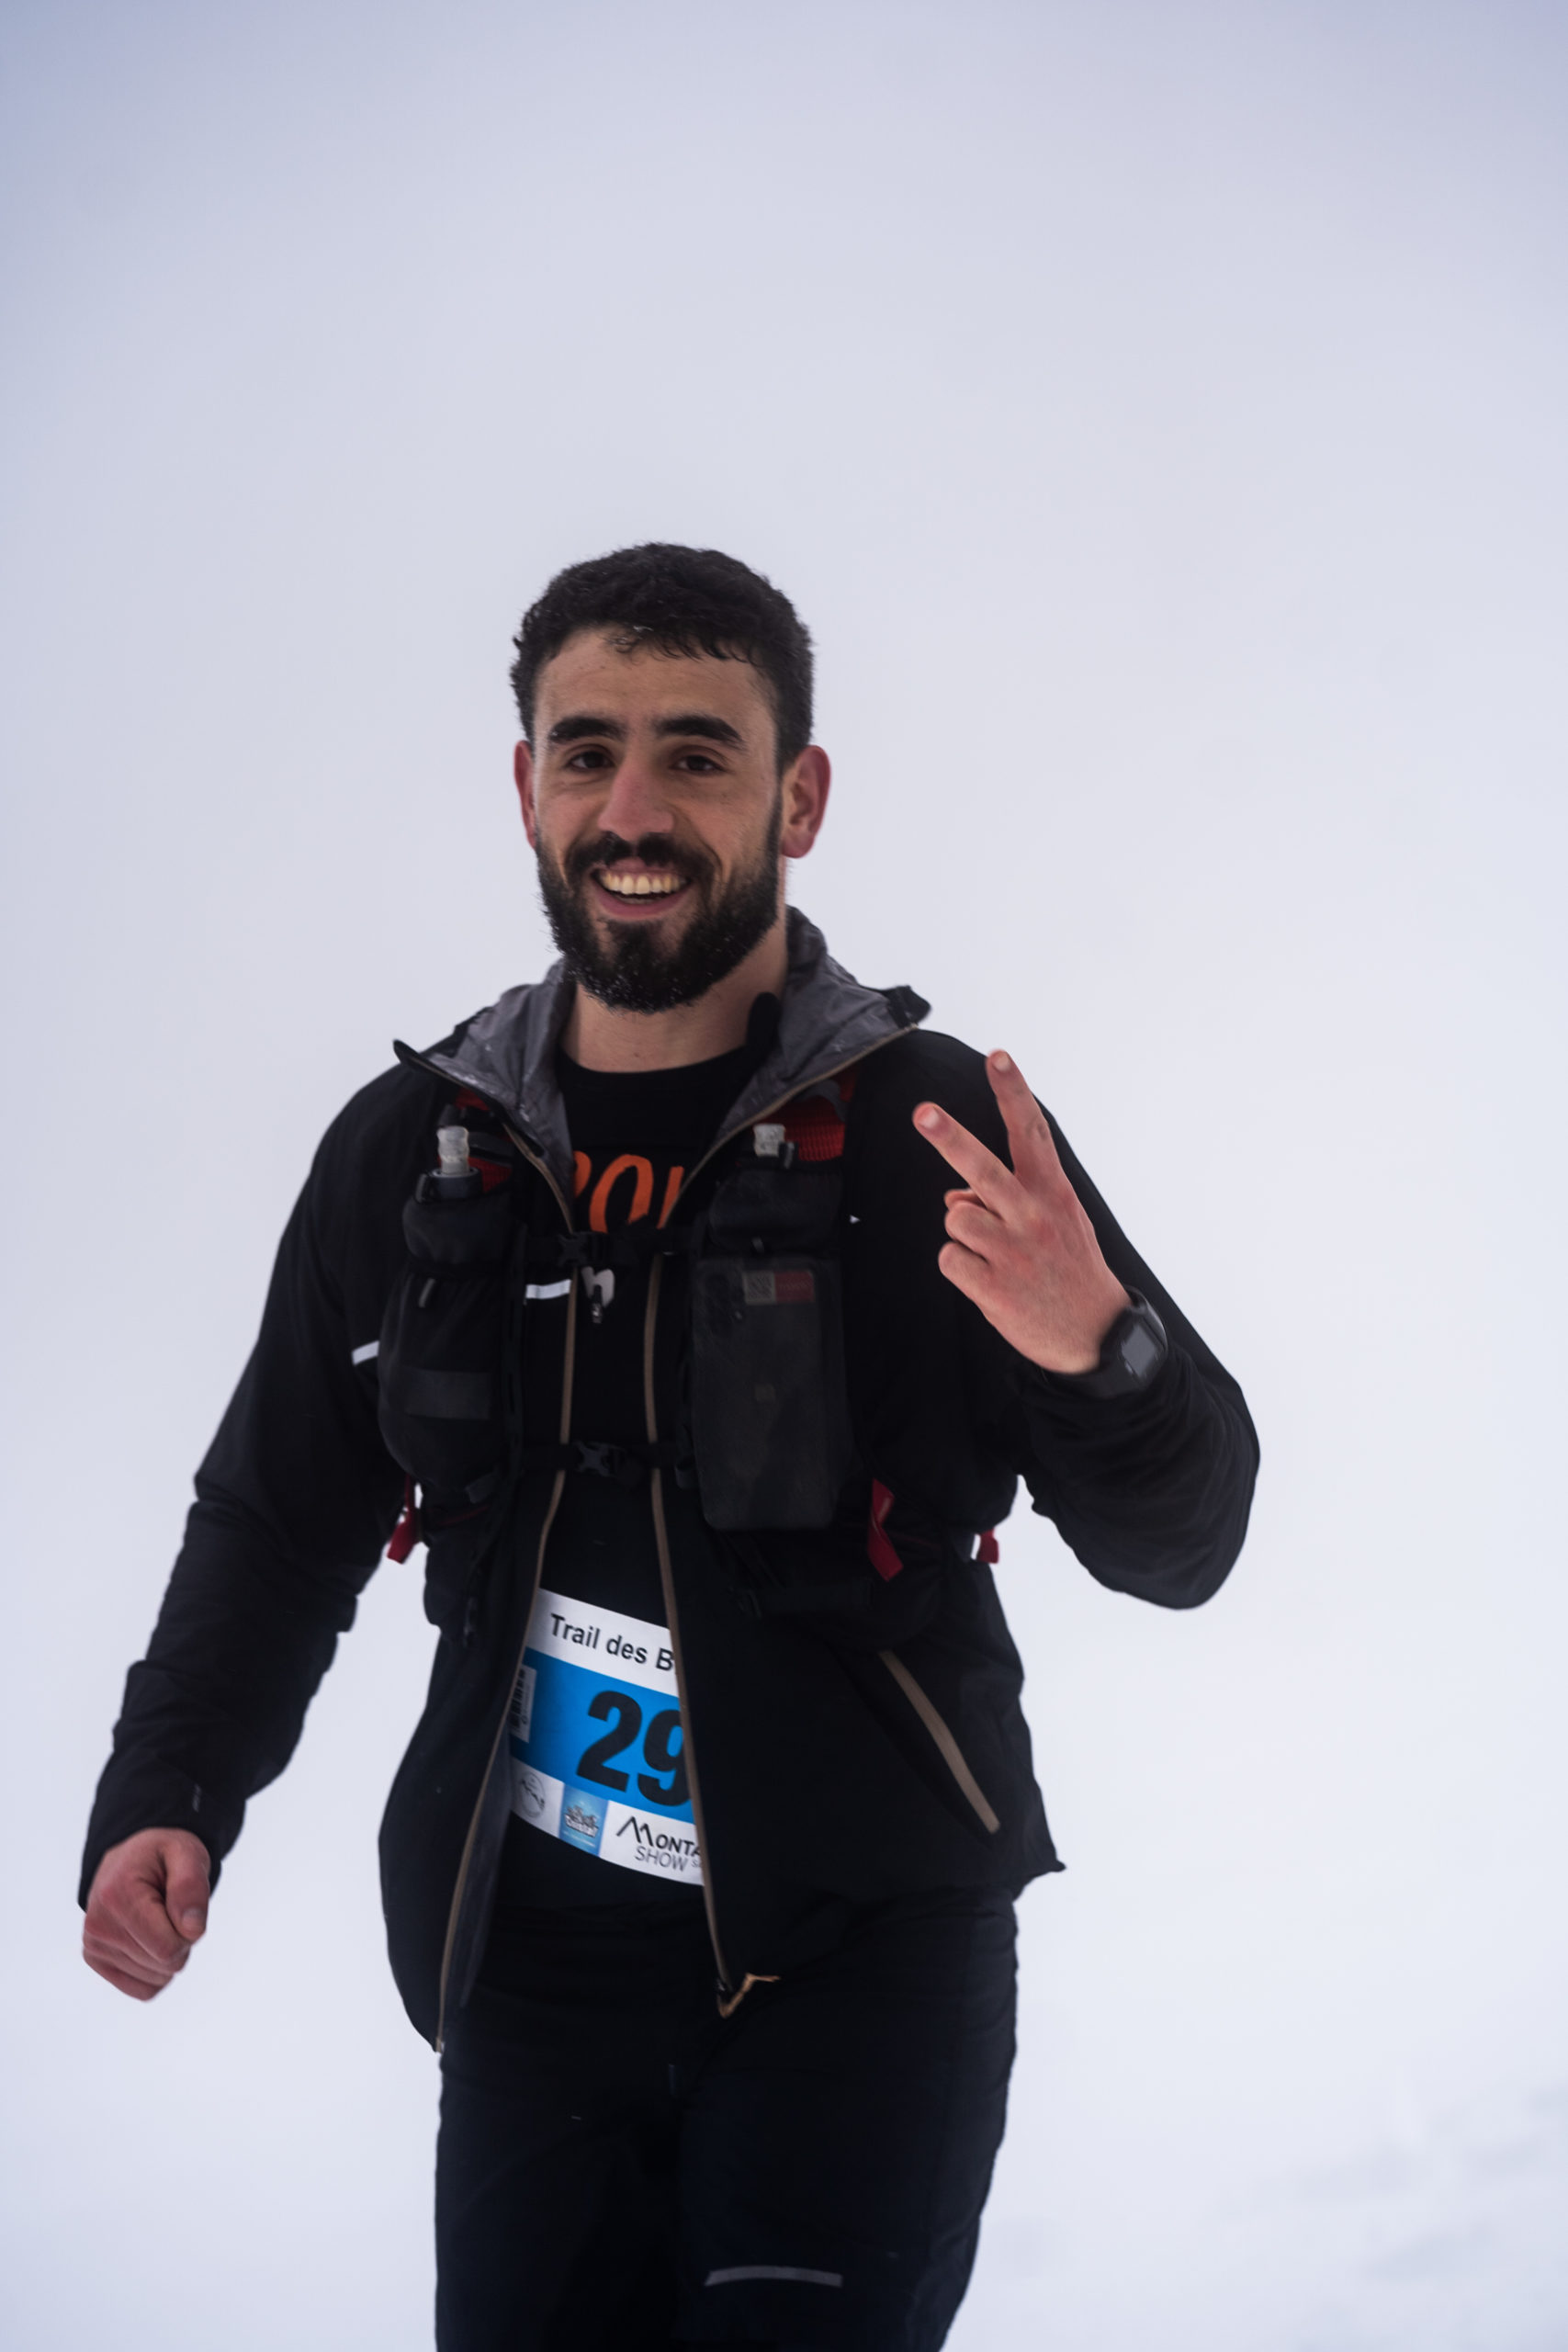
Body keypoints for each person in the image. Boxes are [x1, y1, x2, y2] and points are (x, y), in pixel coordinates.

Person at [81, 543, 1258, 2351]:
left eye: (696, 753)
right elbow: (278, 1513)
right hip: (527, 1969)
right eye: (588, 751)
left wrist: (1104, 1356)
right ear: (527, 786)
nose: (631, 810)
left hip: (860, 1958)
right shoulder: (419, 1147)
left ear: (798, 796)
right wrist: (168, 1787)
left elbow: (1184, 1544)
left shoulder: (935, 1137)